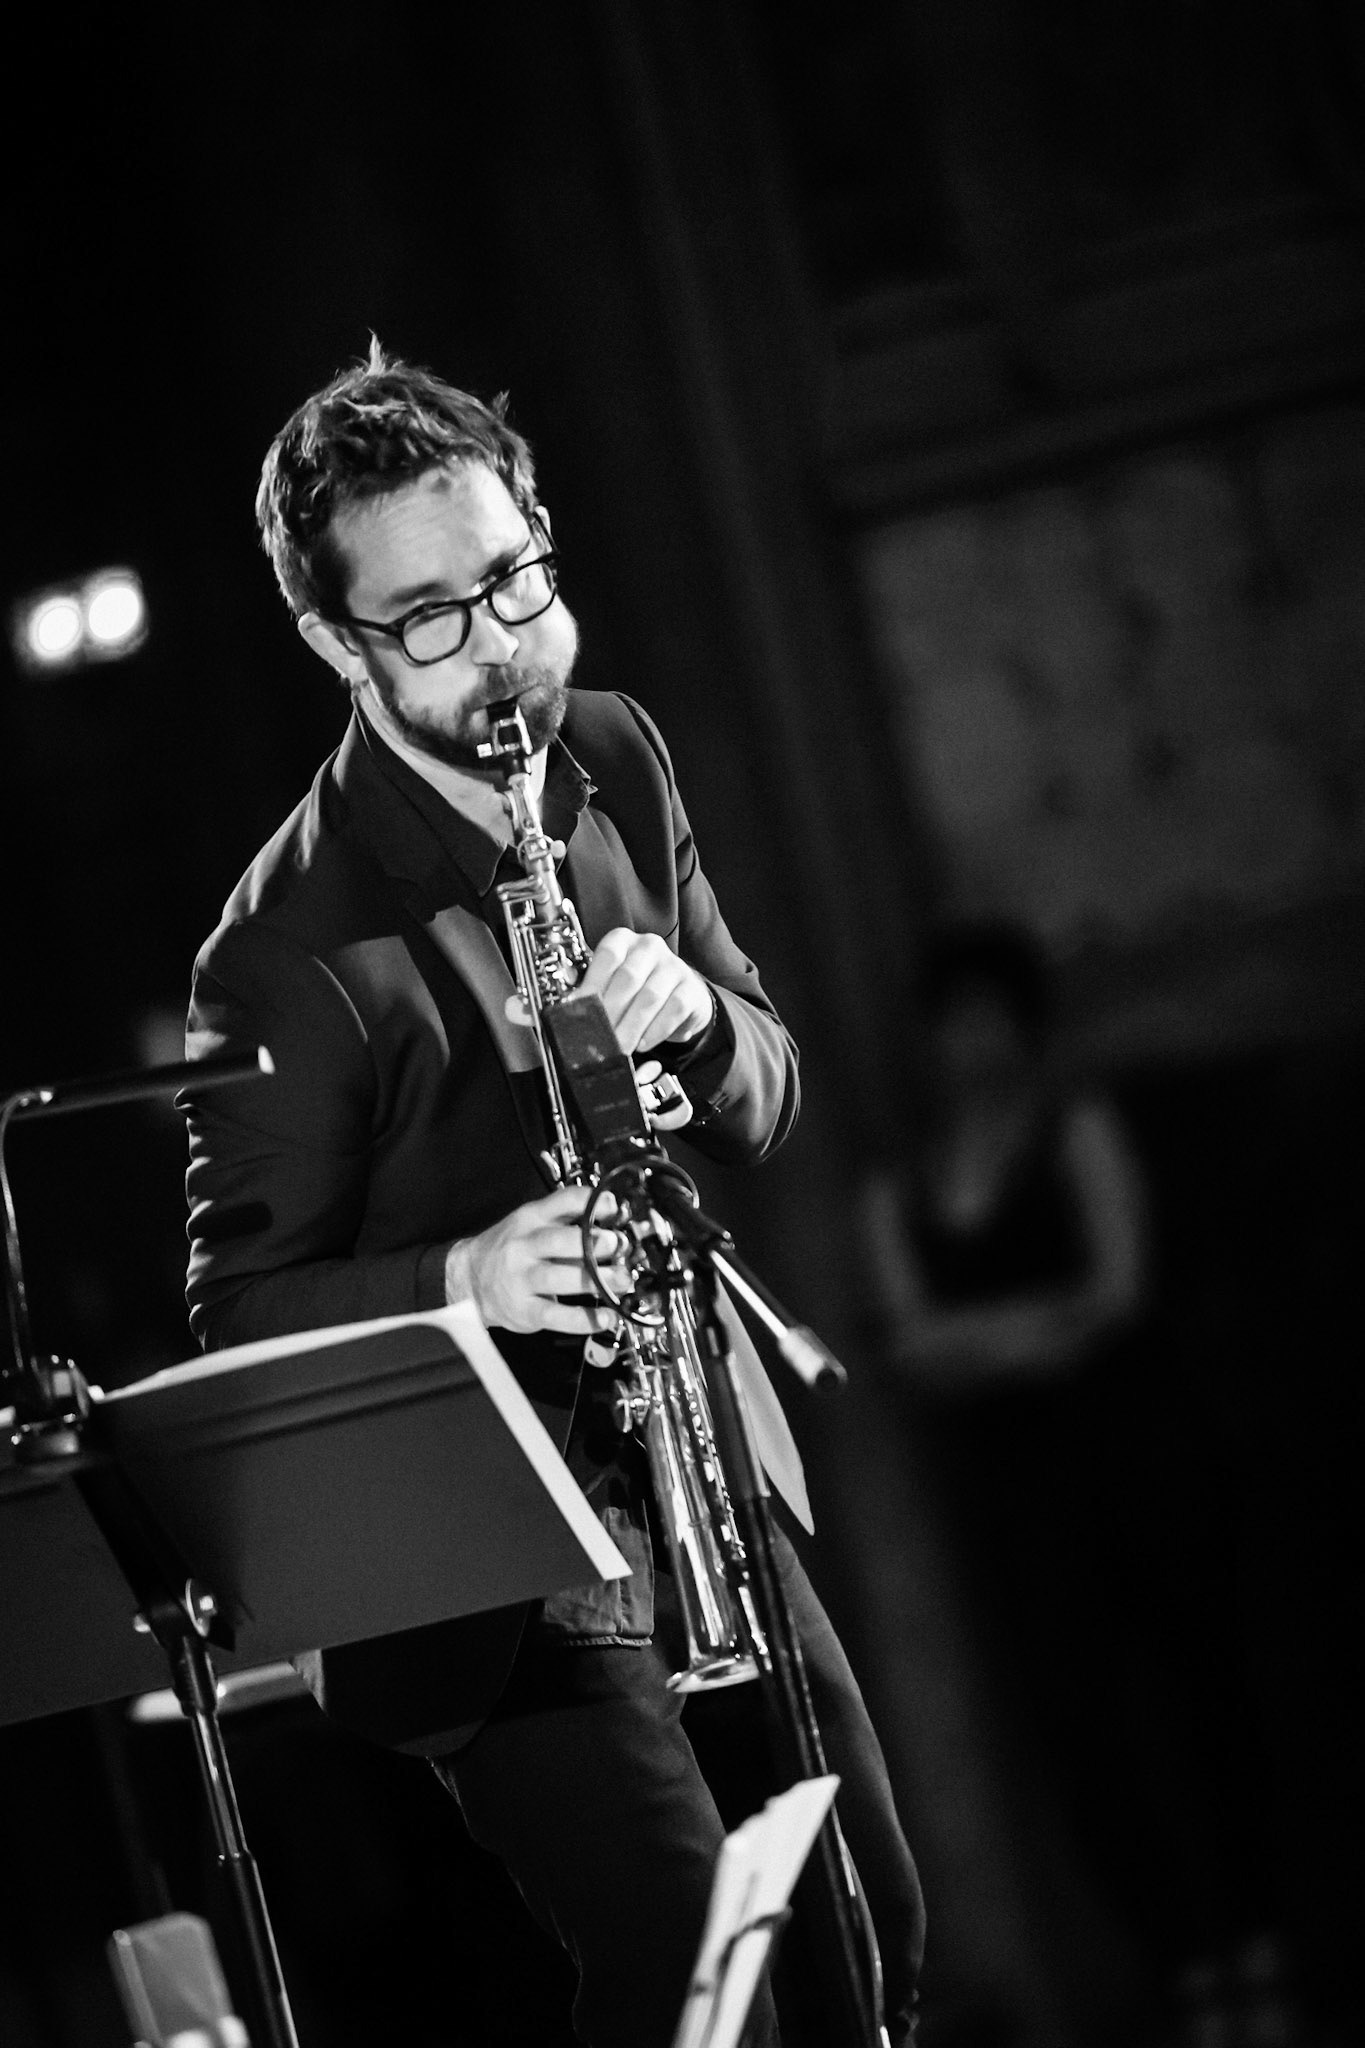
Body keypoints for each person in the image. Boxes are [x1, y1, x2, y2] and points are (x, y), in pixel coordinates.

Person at [181, 341, 924, 2048]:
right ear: (335, 643)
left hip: (692, 1467)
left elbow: (770, 1090)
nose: (500, 646)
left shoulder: (614, 752)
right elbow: (234, 1321)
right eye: (430, 618)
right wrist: (471, 1276)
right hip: (483, 1555)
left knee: (866, 1927)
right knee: (697, 1980)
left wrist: (700, 1024)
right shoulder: (281, 949)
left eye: (514, 578)